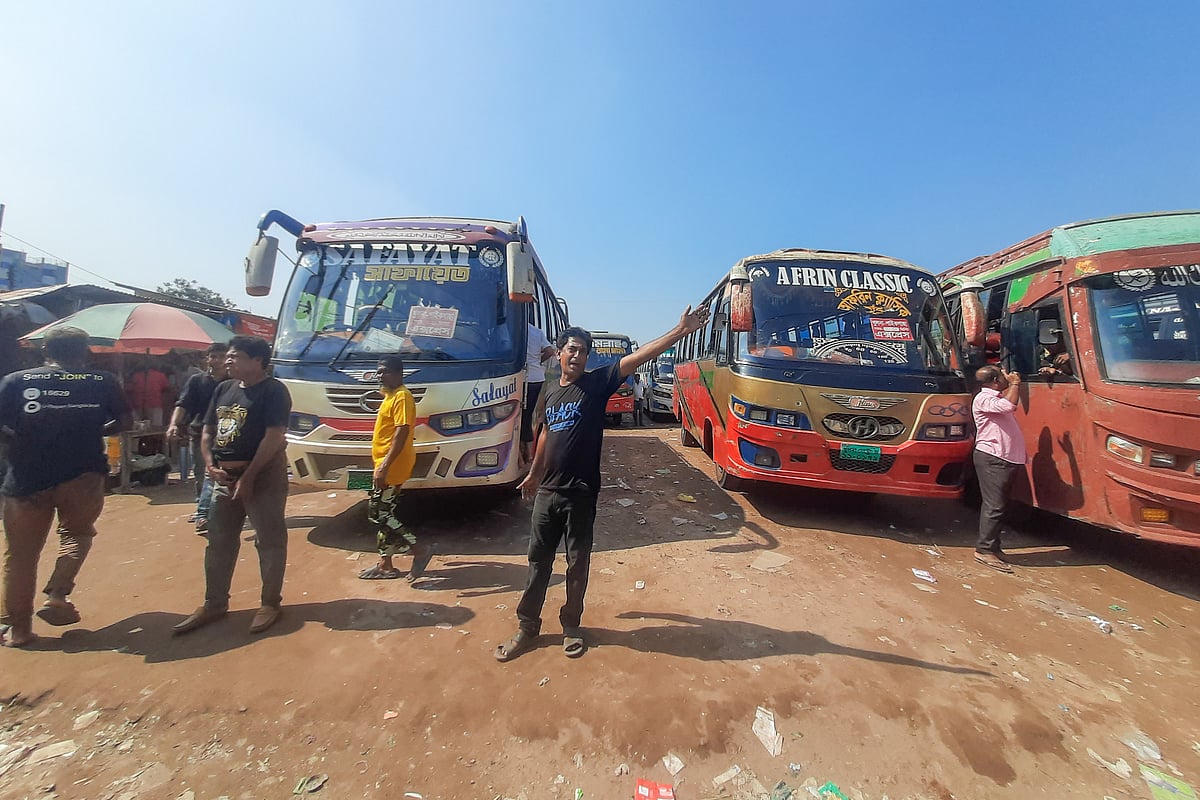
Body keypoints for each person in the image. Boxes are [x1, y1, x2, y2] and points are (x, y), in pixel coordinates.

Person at [494, 305, 709, 663]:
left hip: (580, 494)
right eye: (572, 349)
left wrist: (680, 330)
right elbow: (546, 433)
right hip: (547, 494)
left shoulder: (596, 384)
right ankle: (527, 627)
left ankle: (571, 626)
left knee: (577, 565)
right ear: (559, 353)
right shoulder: (550, 391)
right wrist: (534, 473)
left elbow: (639, 356)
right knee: (538, 563)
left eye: (583, 351)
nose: (577, 356)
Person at [0, 327, 132, 647]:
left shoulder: (16, 381)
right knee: (77, 533)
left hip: (26, 479)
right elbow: (126, 422)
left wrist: (22, 440)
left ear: (46, 351)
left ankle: (19, 630)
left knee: (21, 555)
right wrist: (94, 428)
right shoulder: (103, 381)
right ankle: (57, 594)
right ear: (85, 352)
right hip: (83, 475)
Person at [173, 336, 292, 636]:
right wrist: (211, 466)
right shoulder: (224, 388)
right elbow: (208, 431)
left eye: (235, 356)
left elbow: (274, 437)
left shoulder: (274, 391)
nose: (227, 360)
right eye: (227, 355)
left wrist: (249, 477)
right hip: (223, 478)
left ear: (257, 361)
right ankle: (214, 603)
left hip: (264, 477)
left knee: (269, 540)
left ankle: (270, 604)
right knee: (219, 541)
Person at [357, 355, 432, 581]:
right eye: (378, 371)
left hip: (392, 465)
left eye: (385, 371)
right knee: (385, 512)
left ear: (399, 374)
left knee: (377, 513)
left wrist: (384, 466)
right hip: (385, 463)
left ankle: (418, 548)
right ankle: (385, 564)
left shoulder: (402, 396)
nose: (380, 375)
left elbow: (402, 431)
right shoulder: (389, 395)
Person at [166, 343, 229, 533]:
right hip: (199, 432)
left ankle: (212, 511)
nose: (217, 360)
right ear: (207, 359)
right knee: (202, 472)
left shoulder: (234, 382)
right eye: (213, 356)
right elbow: (182, 404)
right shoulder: (197, 380)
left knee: (224, 473)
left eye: (221, 356)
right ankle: (202, 509)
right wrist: (173, 424)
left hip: (228, 434)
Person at [971, 365, 1027, 573]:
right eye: (1002, 375)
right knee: (994, 506)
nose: (1007, 376)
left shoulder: (995, 397)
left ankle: (993, 546)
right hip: (993, 457)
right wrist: (1015, 383)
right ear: (995, 381)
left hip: (1003, 458)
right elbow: (1008, 406)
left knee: (999, 505)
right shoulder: (983, 398)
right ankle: (984, 550)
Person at [521, 322, 556, 464]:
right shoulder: (536, 331)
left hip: (519, 378)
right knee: (528, 416)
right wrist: (536, 361)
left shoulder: (510, 327)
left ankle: (523, 454)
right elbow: (549, 351)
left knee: (519, 418)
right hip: (536, 378)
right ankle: (529, 453)